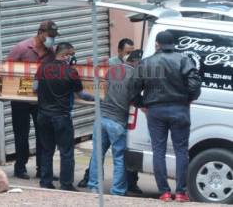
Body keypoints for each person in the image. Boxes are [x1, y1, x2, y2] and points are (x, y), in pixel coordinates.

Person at [133, 31, 201, 202]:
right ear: (173, 44)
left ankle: (164, 192)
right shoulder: (184, 60)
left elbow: (132, 89)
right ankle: (180, 193)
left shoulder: (146, 63)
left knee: (158, 150)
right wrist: (188, 99)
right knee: (181, 151)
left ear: (157, 44)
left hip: (155, 111)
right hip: (180, 109)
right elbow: (194, 84)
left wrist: (142, 105)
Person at [78, 38, 142, 194]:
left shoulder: (112, 70)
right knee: (119, 158)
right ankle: (118, 191)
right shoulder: (135, 75)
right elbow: (134, 99)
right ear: (137, 62)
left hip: (101, 119)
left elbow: (105, 92)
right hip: (118, 122)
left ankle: (94, 186)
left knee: (97, 155)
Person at [35, 42, 93, 191]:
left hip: (43, 115)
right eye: (72, 54)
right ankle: (66, 184)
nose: (73, 58)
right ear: (65, 55)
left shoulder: (43, 68)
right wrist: (98, 98)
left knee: (47, 150)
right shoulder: (71, 72)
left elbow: (35, 88)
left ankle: (45, 181)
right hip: (61, 117)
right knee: (66, 152)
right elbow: (81, 94)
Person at [7, 20, 57, 180]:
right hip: (20, 100)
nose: (52, 39)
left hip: (41, 100)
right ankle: (20, 168)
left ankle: (42, 169)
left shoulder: (52, 52)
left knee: (43, 135)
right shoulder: (21, 48)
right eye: (50, 36)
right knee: (21, 135)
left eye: (54, 36)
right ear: (41, 32)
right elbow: (6, 70)